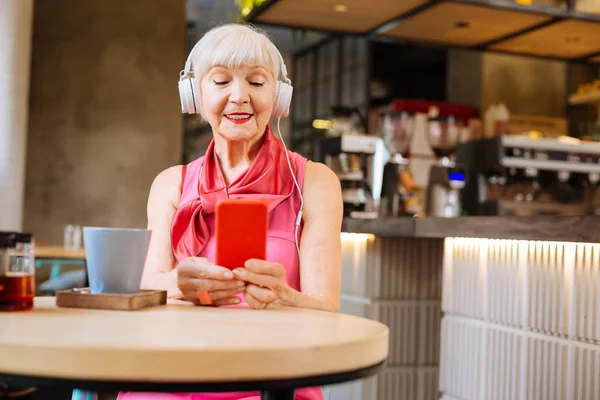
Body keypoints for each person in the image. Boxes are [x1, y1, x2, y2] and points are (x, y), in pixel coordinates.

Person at [117, 23, 343, 400]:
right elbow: (148, 284)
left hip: (273, 378)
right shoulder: (170, 184)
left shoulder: (316, 183)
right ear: (194, 95)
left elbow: (326, 309)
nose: (239, 97)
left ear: (279, 95)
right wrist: (180, 284)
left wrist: (282, 295)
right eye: (221, 82)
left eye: (256, 82)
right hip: (175, 374)